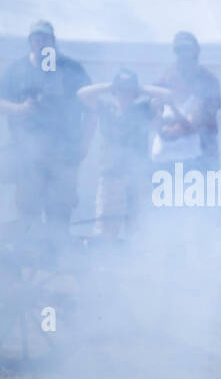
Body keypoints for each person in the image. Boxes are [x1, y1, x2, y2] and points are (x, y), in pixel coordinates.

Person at [1, 20, 93, 253]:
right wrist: (20, 109)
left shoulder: (71, 69)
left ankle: (59, 264)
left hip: (63, 157)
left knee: (59, 214)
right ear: (30, 42)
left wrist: (85, 144)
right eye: (36, 39)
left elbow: (92, 107)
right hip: (27, 158)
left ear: (53, 41)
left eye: (45, 39)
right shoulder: (17, 69)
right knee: (28, 213)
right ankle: (28, 266)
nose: (41, 43)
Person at [77, 70, 170, 239]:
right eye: (121, 89)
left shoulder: (142, 109)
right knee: (105, 226)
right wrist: (109, 86)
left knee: (136, 226)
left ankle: (133, 262)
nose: (124, 93)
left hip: (137, 177)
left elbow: (167, 95)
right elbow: (82, 94)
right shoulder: (105, 108)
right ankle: (104, 262)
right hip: (110, 176)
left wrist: (140, 89)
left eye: (128, 90)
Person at [156, 31, 221, 172]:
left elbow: (205, 117)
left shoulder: (209, 80)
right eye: (179, 50)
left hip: (203, 153)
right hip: (170, 154)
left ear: (196, 51)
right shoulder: (166, 77)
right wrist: (163, 130)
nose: (183, 54)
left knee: (204, 193)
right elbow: (154, 107)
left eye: (187, 49)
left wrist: (180, 130)